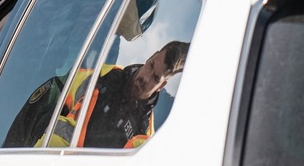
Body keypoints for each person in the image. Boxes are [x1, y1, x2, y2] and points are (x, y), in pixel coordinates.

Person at [31, 40, 189, 149]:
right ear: (151, 56)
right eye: (151, 65)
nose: (145, 78)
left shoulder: (143, 137)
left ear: (162, 85)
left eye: (155, 78)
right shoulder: (100, 75)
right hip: (34, 165)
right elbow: (39, 105)